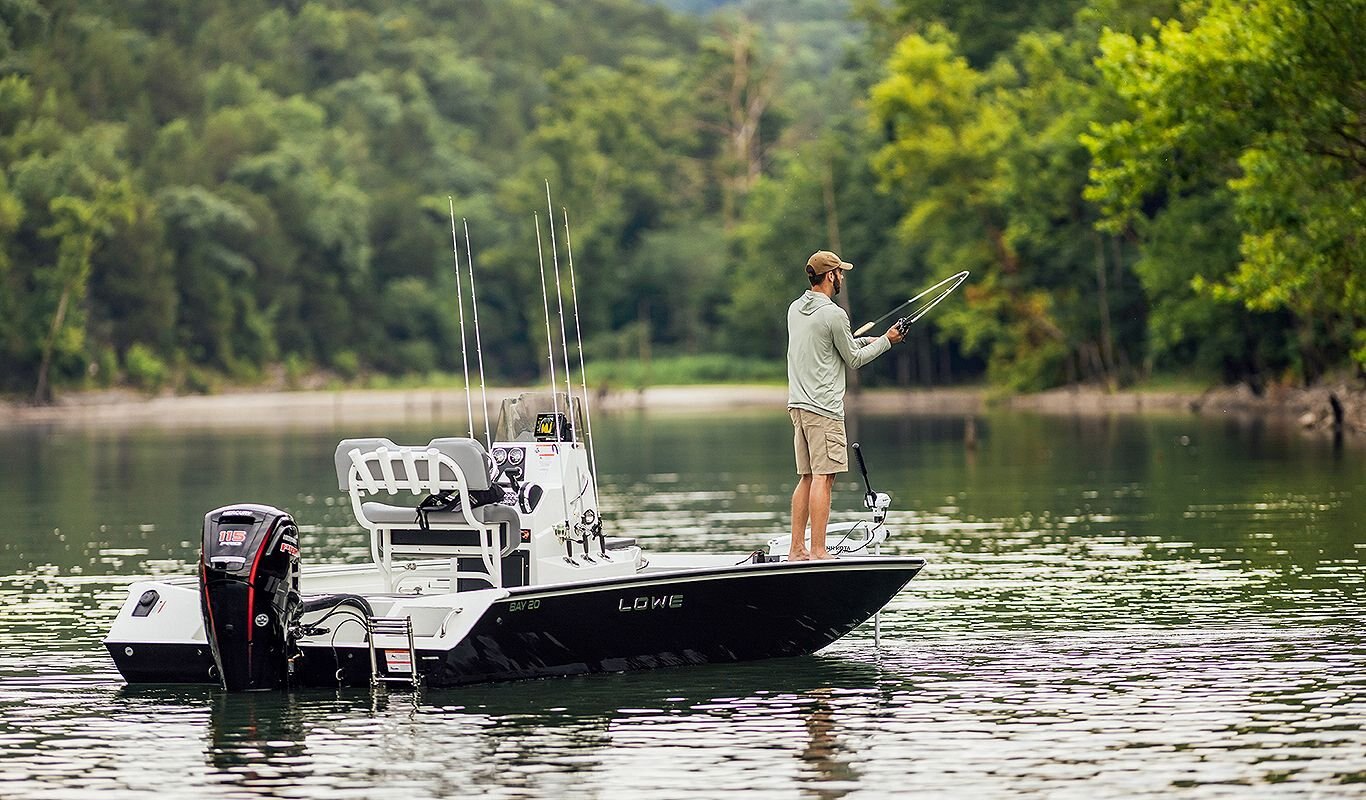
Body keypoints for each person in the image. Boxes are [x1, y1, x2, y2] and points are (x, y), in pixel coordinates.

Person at [787, 250, 903, 561]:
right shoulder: (834, 314)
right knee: (824, 478)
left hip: (798, 406)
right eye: (840, 272)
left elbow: (833, 347)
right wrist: (888, 341)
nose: (843, 277)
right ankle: (819, 552)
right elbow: (853, 359)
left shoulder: (795, 309)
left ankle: (797, 550)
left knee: (807, 477)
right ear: (829, 276)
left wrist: (871, 339)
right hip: (823, 409)